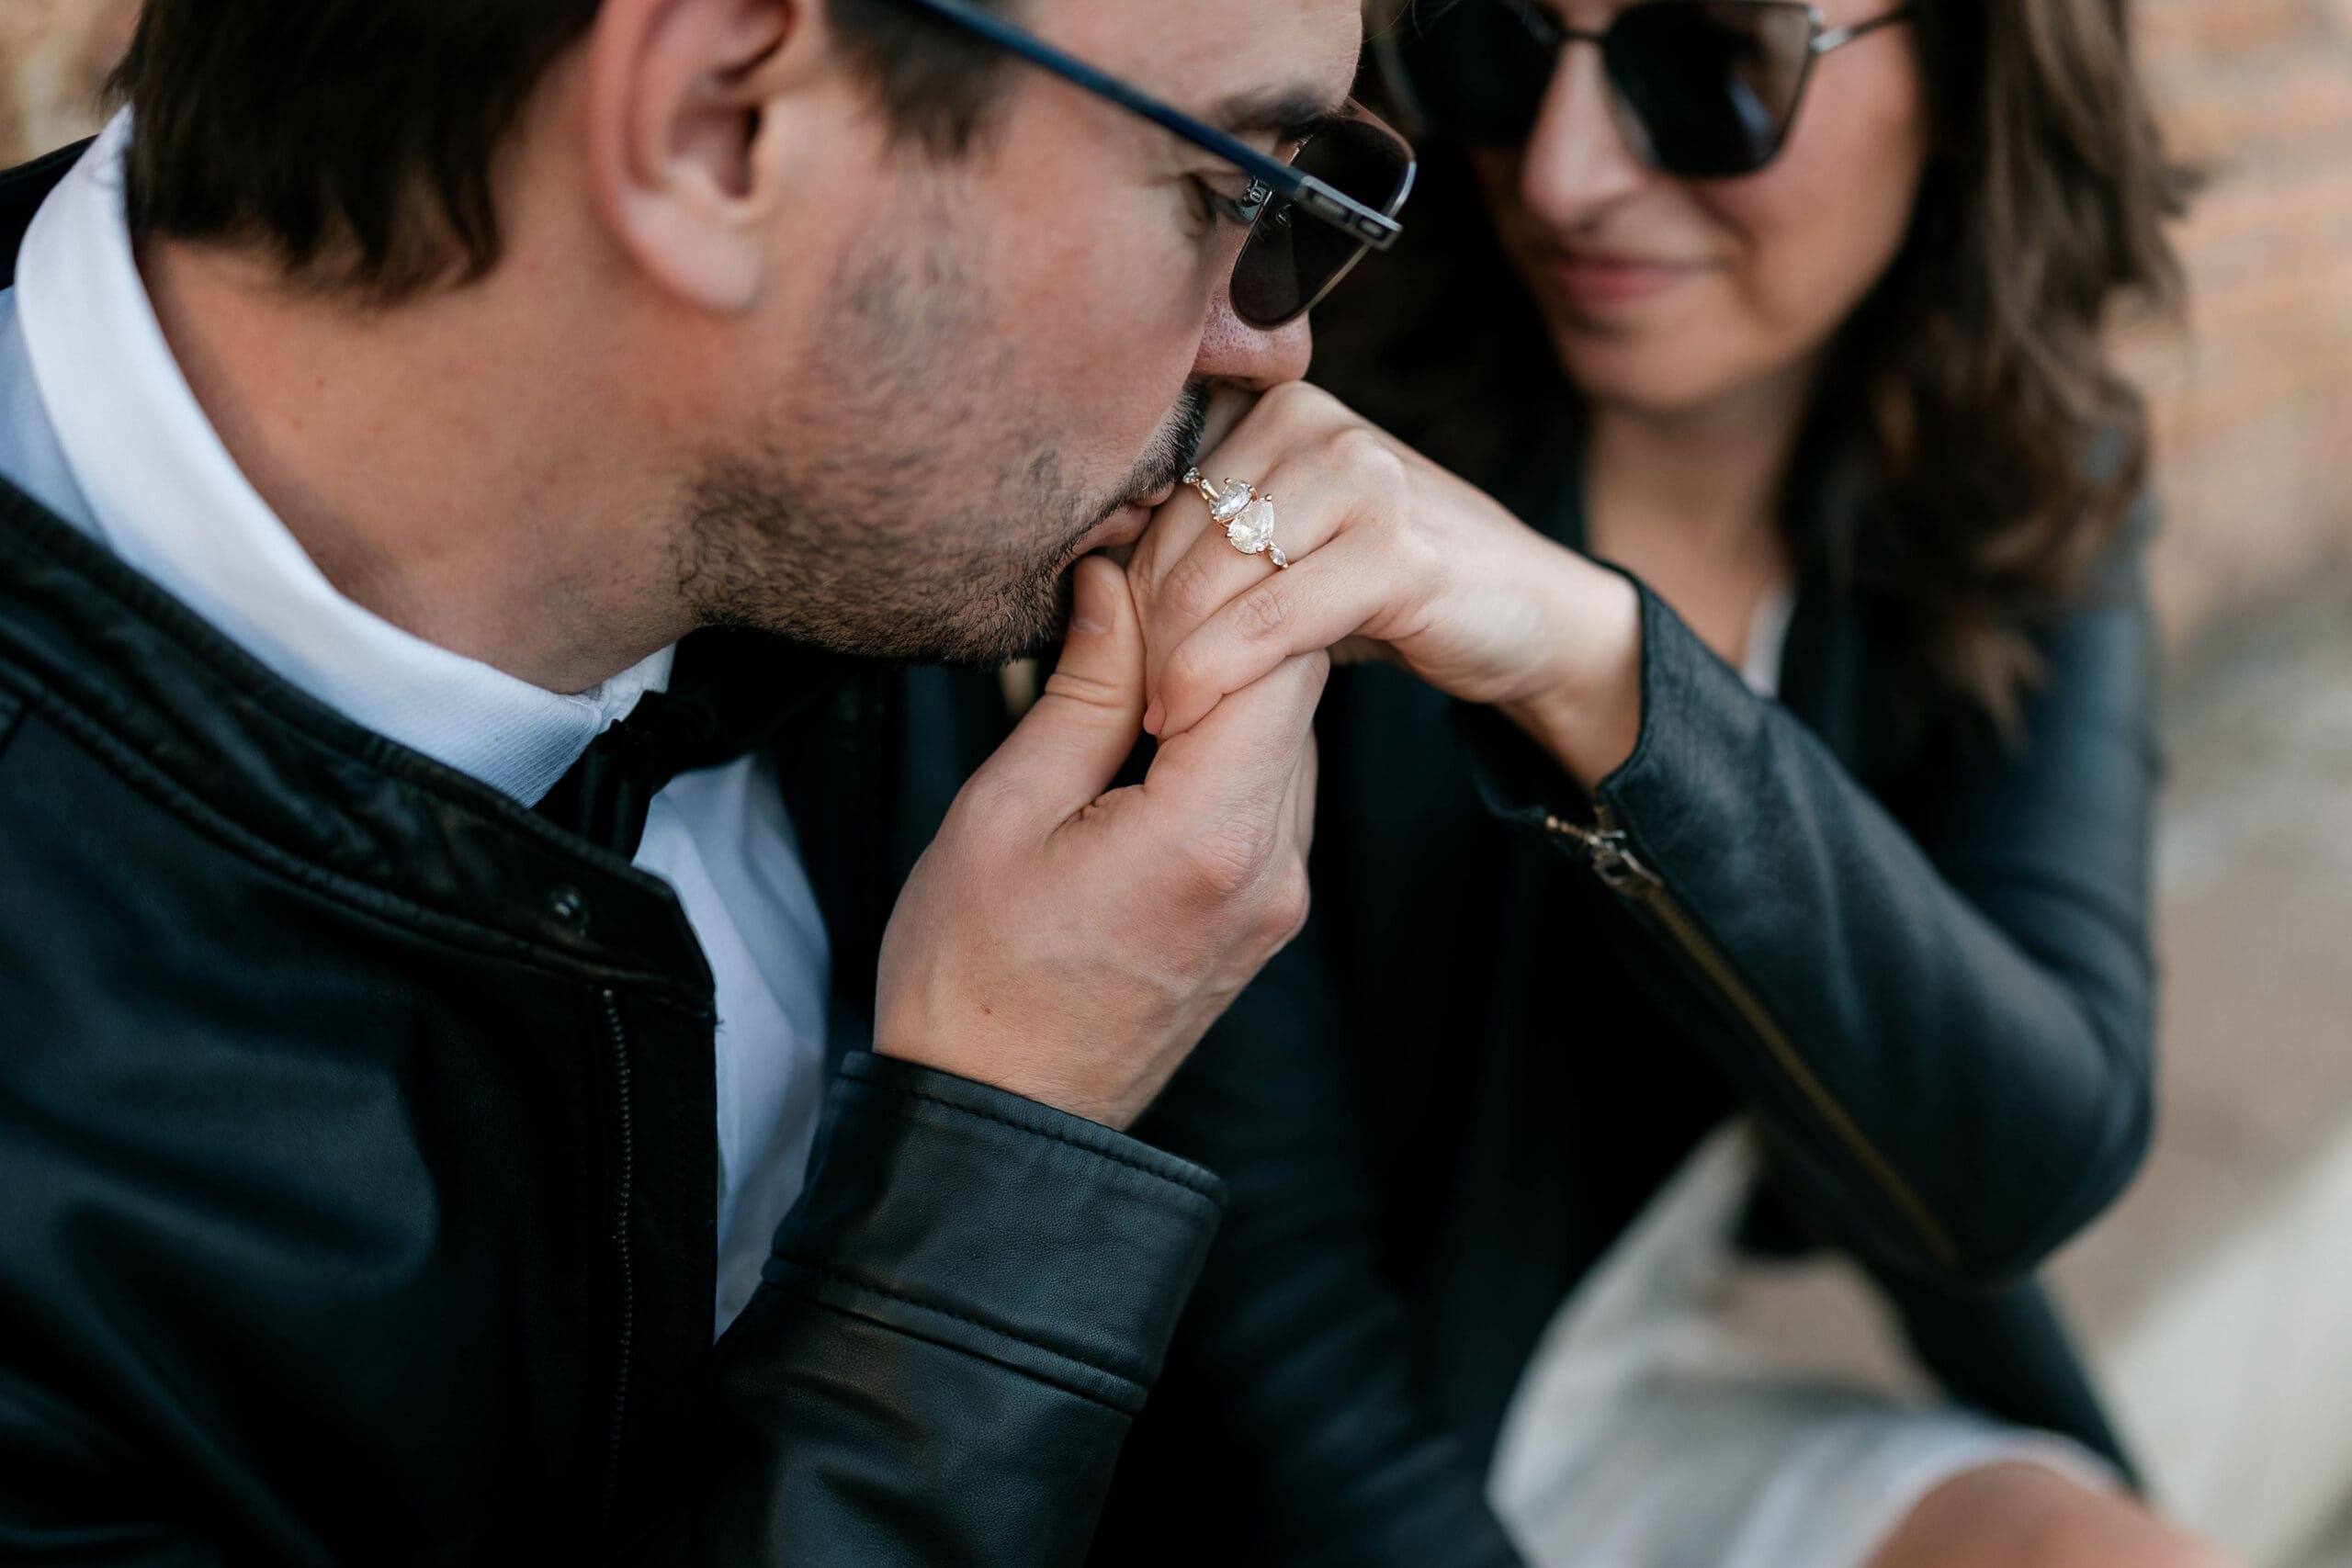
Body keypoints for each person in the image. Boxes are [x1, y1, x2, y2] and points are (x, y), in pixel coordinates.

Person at [0, 0, 1414, 1560]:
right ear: (715, 124)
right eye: (1235, 188)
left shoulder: (832, 488)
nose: (1272, 343)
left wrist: (1594, 688)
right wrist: (997, 1172)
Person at [1086, 0, 2238, 1563]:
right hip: (1344, 1452)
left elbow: (2024, 1160)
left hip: (1661, 1379)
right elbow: (1266, 1326)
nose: (1564, 176)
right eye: (1507, 44)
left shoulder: (2021, 485)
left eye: (1712, 70)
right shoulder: (1305, 447)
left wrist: (1607, 673)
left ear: (1972, 78)